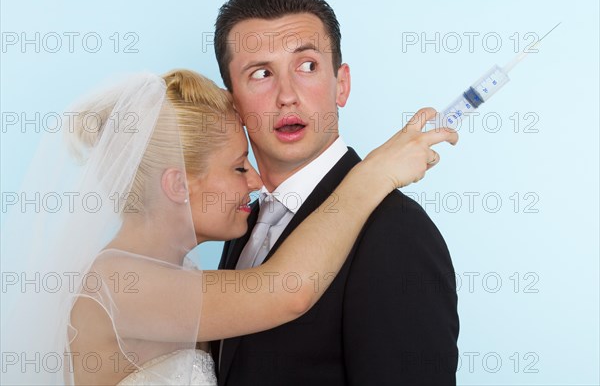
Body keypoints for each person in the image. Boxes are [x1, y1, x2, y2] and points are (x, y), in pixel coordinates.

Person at [0, 69, 456, 385]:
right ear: (178, 184)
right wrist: (374, 174)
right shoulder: (117, 282)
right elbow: (286, 291)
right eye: (239, 167)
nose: (256, 182)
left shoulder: (186, 278)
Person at [213, 0, 460, 385]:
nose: (287, 95)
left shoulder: (395, 231)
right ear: (233, 103)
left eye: (307, 65)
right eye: (261, 73)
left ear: (341, 84)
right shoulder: (242, 221)